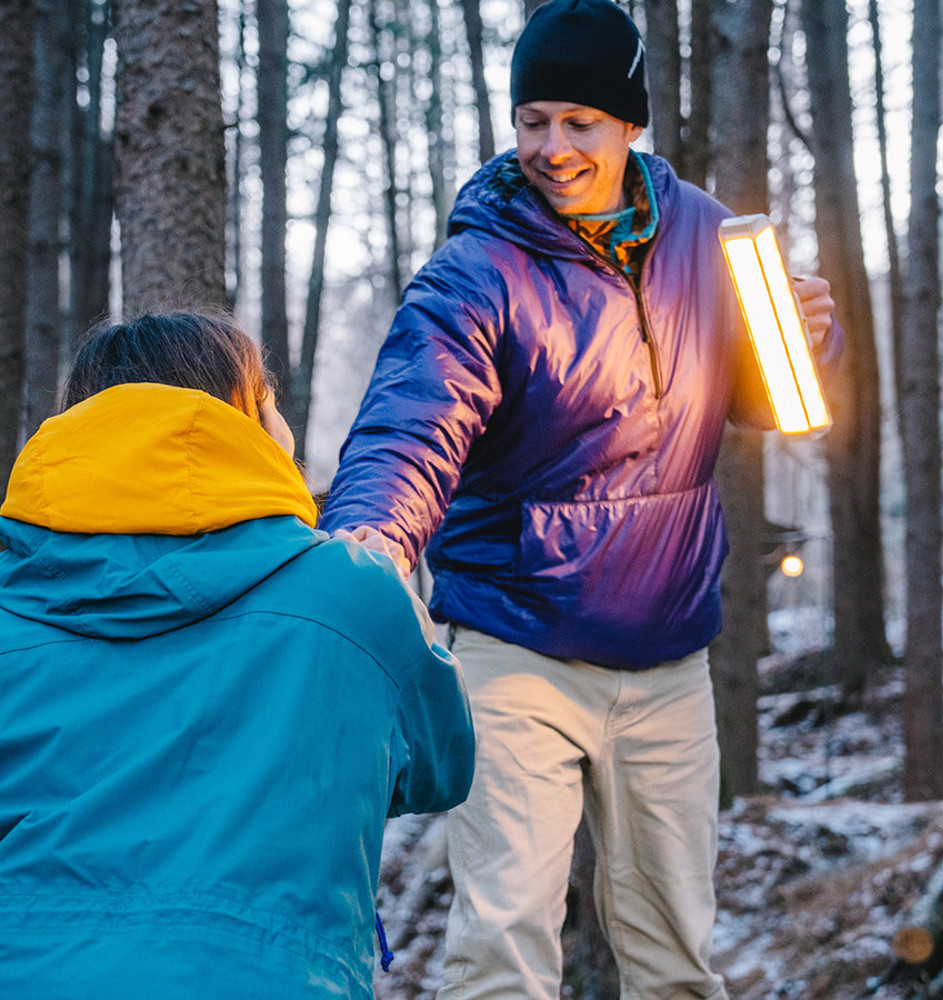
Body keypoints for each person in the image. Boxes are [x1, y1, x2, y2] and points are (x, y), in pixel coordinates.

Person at [321, 0, 843, 996]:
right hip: (516, 653)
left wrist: (804, 340)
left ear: (630, 125)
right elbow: (409, 428)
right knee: (502, 945)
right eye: (533, 121)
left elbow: (762, 398)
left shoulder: (707, 239)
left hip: (670, 657)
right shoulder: (477, 271)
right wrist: (367, 551)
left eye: (579, 123)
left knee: (673, 954)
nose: (551, 147)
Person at [0, 312, 475, 999]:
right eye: (270, 396)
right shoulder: (352, 594)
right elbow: (440, 768)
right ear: (245, 420)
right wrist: (391, 605)